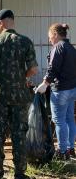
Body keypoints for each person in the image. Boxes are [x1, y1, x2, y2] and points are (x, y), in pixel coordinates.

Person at [0, 9, 38, 179]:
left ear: (2, 22)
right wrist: (21, 77)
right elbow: (33, 69)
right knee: (19, 133)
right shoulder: (25, 42)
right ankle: (20, 173)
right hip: (19, 96)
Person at [36, 23, 76, 160]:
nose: (49, 40)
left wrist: (44, 84)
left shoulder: (58, 47)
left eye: (49, 37)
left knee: (59, 121)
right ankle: (71, 149)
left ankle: (62, 151)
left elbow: (53, 68)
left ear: (55, 34)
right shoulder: (71, 48)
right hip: (72, 89)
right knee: (70, 119)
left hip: (60, 90)